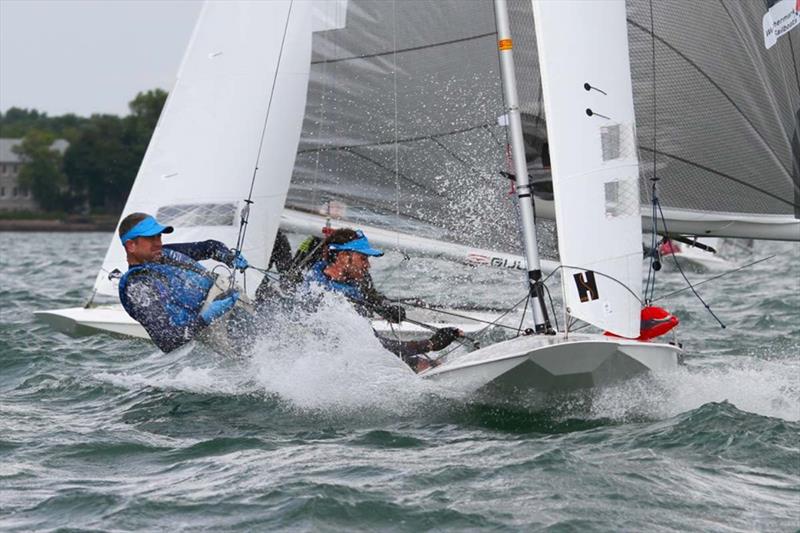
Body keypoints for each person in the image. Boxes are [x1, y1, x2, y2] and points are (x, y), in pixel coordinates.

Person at [302, 228, 463, 372]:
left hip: (362, 354)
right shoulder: (321, 294)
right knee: (419, 364)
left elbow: (373, 298)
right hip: (334, 365)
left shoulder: (355, 277)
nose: (368, 265)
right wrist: (431, 344)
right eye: (363, 258)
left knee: (432, 365)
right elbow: (374, 348)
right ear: (344, 256)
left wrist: (387, 308)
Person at [117, 212, 251, 353]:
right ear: (131, 245)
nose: (158, 243)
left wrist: (228, 256)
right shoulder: (136, 286)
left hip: (237, 308)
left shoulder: (165, 253)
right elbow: (167, 340)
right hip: (218, 332)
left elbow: (209, 247)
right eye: (151, 238)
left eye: (159, 236)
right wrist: (208, 316)